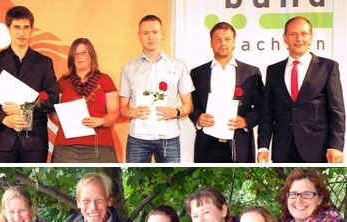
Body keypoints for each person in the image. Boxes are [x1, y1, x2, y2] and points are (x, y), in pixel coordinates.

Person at [257, 16, 345, 163]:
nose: (299, 39)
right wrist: (263, 147)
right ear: (285, 38)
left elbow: (337, 111)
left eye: (304, 34)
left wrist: (336, 146)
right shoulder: (273, 71)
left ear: (311, 37)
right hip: (282, 150)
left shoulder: (328, 67)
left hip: (318, 149)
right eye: (293, 34)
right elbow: (267, 113)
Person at [0, 6, 59, 163]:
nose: (21, 33)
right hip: (3, 141)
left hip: (35, 142)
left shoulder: (44, 63)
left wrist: (23, 108)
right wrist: (4, 119)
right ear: (8, 29)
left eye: (26, 27)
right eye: (16, 27)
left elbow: (52, 99)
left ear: (31, 30)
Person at [119, 14, 194, 163]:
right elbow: (122, 108)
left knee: (171, 180)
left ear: (162, 34)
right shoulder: (129, 68)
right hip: (138, 138)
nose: (150, 37)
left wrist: (175, 112)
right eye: (145, 33)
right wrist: (132, 112)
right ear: (139, 36)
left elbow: (189, 106)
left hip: (169, 138)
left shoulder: (178, 66)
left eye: (155, 32)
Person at [190, 22, 264, 163]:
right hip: (207, 143)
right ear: (211, 42)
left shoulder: (251, 73)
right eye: (218, 39)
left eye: (227, 39)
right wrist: (198, 118)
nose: (222, 43)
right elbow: (193, 105)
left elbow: (262, 108)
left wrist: (246, 121)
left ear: (234, 42)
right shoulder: (198, 73)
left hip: (239, 142)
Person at [50, 38, 119, 163]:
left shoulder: (105, 80)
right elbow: (53, 113)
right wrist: (65, 118)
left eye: (83, 52)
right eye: (75, 54)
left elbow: (114, 113)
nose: (79, 57)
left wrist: (100, 121)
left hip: (100, 147)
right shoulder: (63, 82)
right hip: (66, 148)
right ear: (71, 58)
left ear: (91, 55)